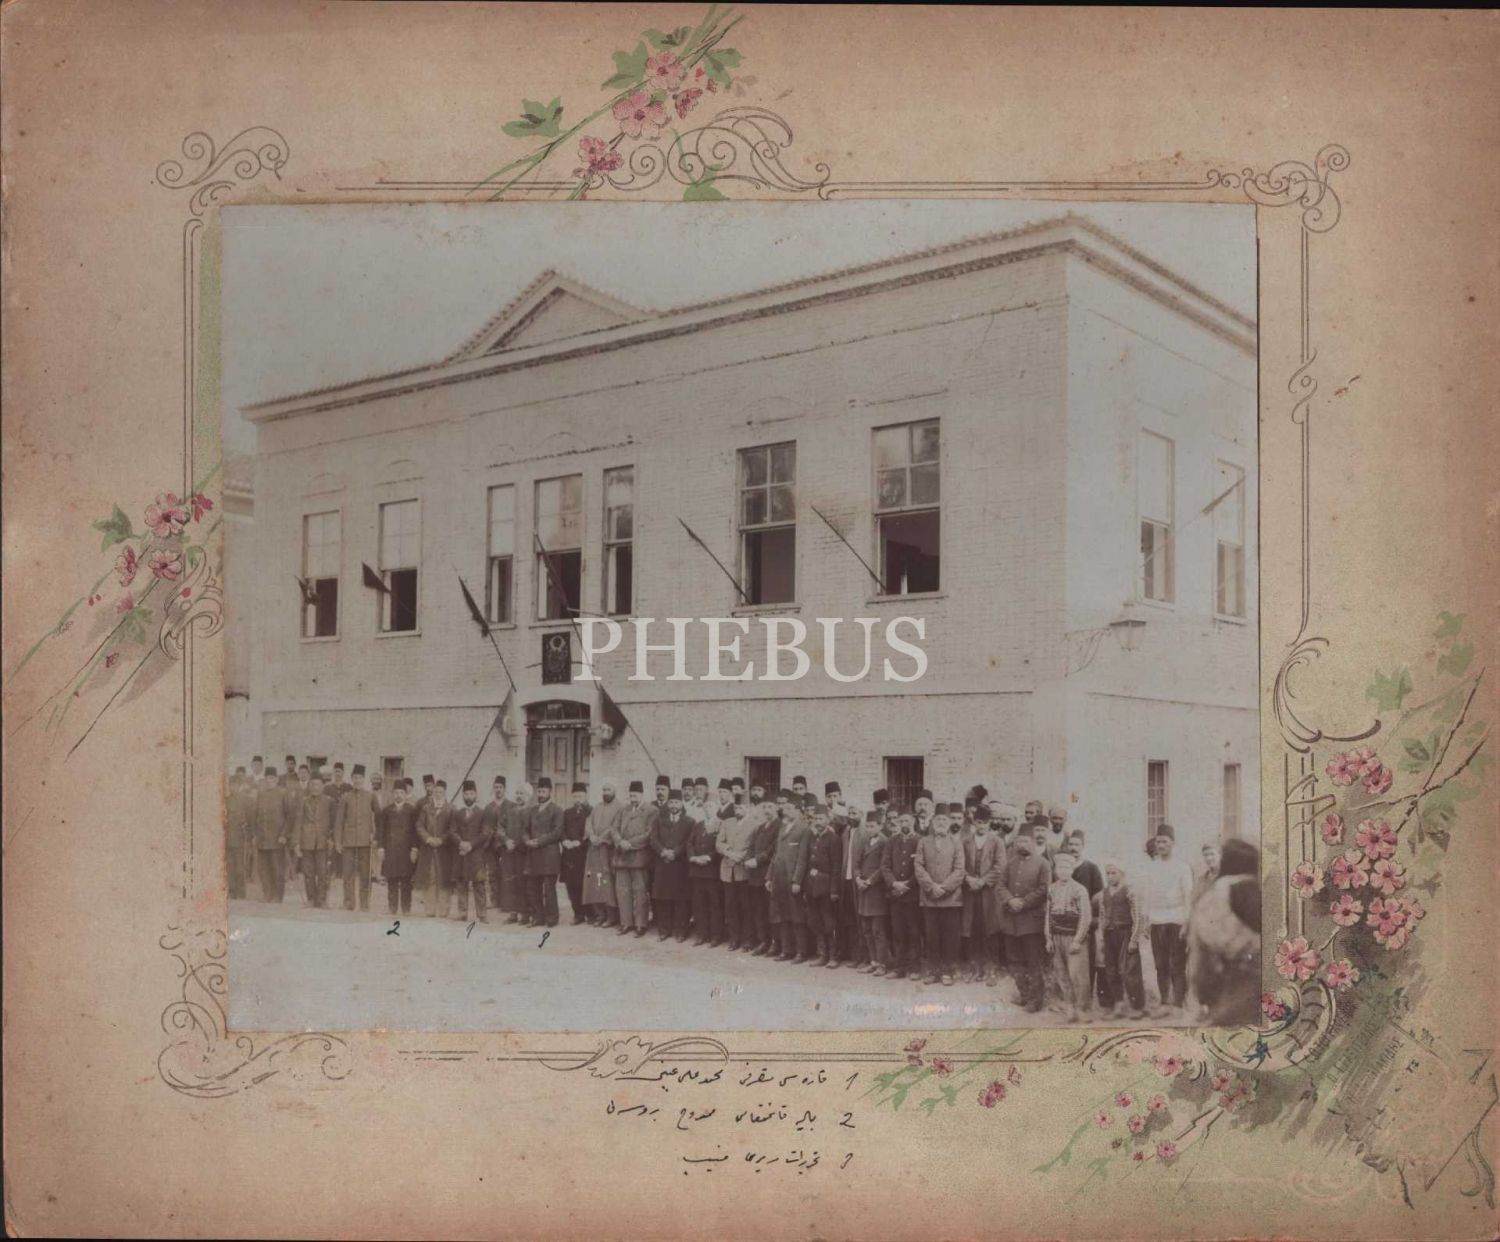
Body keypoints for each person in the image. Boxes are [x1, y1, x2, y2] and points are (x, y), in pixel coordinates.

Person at [1188, 837, 1260, 1025]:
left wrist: (1205, 997)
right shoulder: (1267, 886)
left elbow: (1202, 962)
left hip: (1235, 983)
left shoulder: (1216, 894)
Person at [997, 824, 1049, 1012]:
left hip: (1032, 921)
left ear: (1033, 842)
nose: (1022, 844)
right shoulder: (1010, 863)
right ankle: (1024, 994)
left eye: (1026, 841)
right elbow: (1001, 885)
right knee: (1014, 960)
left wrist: (1024, 902)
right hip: (1011, 921)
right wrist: (1010, 900)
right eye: (1019, 841)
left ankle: (1036, 1000)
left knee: (1033, 961)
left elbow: (1044, 889)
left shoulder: (1043, 864)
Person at [1142, 827, 1194, 1012]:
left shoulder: (1182, 867)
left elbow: (1188, 896)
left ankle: (1178, 1003)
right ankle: (1164, 1001)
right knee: (1160, 965)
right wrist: (1146, 920)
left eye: (1165, 841)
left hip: (1176, 920)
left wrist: (1186, 923)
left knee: (1176, 965)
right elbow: (1147, 895)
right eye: (1158, 842)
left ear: (1172, 843)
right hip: (1157, 921)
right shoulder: (1151, 867)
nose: (1161, 845)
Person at [915, 803, 965, 985]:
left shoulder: (956, 843)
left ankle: (947, 972)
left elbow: (959, 870)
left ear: (949, 822)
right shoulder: (923, 842)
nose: (941, 823)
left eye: (944, 819)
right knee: (931, 936)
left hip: (950, 899)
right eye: (938, 819)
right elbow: (918, 866)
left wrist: (944, 888)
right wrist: (931, 887)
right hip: (929, 899)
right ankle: (933, 971)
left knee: (950, 936)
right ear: (933, 821)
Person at [1045, 849, 1094, 1021]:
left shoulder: (1080, 890)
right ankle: (1070, 1008)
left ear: (1072, 870)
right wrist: (1048, 938)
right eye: (1060, 868)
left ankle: (1083, 1009)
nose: (1063, 871)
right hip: (1056, 937)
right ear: (1056, 870)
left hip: (1073, 938)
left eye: (1066, 868)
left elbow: (1086, 917)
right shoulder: (1052, 889)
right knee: (1062, 974)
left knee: (1078, 975)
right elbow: (1048, 915)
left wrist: (1078, 940)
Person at [1099, 859, 1149, 1019]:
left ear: (1122, 874)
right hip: (1109, 935)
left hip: (1125, 934)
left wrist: (1134, 939)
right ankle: (1119, 1005)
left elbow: (1138, 917)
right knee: (1111, 970)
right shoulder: (1104, 893)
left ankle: (1138, 1007)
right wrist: (1102, 937)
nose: (1110, 876)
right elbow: (1102, 915)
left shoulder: (1130, 891)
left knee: (1130, 971)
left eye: (1113, 873)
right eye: (1107, 873)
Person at [767, 792, 812, 962]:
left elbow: (802, 858)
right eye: (784, 808)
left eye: (789, 808)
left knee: (797, 916)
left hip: (792, 880)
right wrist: (769, 877)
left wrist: (797, 881)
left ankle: (801, 951)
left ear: (798, 810)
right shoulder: (782, 828)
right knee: (782, 916)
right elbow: (776, 855)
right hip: (779, 879)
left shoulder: (804, 829)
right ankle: (786, 950)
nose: (785, 811)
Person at [964, 804, 1004, 985]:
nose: (981, 826)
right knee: (973, 929)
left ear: (989, 823)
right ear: (974, 822)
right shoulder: (966, 841)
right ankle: (975, 968)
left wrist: (983, 881)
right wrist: (968, 879)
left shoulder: (997, 842)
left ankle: (991, 969)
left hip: (989, 893)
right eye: (979, 822)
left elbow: (1000, 866)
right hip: (970, 893)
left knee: (990, 930)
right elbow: (960, 865)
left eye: (985, 823)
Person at [715, 778, 756, 951]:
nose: (739, 810)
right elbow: (719, 843)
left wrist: (742, 856)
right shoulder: (727, 822)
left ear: (748, 808)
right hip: (727, 871)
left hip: (744, 871)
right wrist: (730, 853)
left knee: (745, 907)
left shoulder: (754, 824)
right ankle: (734, 938)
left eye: (742, 808)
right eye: (737, 807)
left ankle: (748, 940)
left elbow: (753, 846)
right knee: (730, 906)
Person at [333, 763, 379, 912]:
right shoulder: (345, 797)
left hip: (366, 841)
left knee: (365, 874)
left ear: (364, 779)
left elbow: (379, 818)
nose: (357, 780)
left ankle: (364, 904)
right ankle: (349, 903)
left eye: (360, 778)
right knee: (348, 874)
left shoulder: (371, 796)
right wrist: (338, 841)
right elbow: (339, 821)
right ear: (352, 779)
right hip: (348, 842)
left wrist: (375, 836)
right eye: (355, 777)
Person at [648, 787, 693, 941]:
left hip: (680, 865)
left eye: (676, 802)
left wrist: (675, 852)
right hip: (662, 864)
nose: (674, 805)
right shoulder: (659, 820)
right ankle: (664, 929)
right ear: (668, 804)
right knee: (663, 898)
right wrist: (662, 851)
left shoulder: (689, 822)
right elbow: (653, 839)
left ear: (681, 804)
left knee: (680, 899)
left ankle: (680, 930)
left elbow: (689, 842)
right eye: (671, 802)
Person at [881, 811, 922, 979]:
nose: (904, 823)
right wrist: (893, 883)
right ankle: (899, 968)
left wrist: (908, 885)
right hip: (895, 895)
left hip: (912, 895)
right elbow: (885, 865)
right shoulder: (892, 841)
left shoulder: (920, 840)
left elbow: (921, 867)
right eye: (902, 820)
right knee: (897, 931)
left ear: (913, 821)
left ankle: (914, 968)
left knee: (913, 932)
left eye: (907, 820)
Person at [611, 780, 655, 937]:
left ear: (642, 794)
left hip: (639, 857)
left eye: (635, 795)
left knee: (640, 892)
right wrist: (619, 842)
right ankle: (626, 922)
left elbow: (649, 833)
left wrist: (630, 844)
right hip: (622, 857)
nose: (632, 798)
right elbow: (614, 828)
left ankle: (641, 924)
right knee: (623, 891)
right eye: (630, 795)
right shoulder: (624, 810)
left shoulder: (651, 810)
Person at [742, 783, 780, 956]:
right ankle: (762, 940)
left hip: (768, 875)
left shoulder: (779, 826)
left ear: (777, 808)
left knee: (770, 910)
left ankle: (774, 942)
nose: (767, 810)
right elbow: (751, 845)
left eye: (770, 807)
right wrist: (749, 859)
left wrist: (757, 860)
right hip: (754, 875)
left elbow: (773, 849)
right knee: (757, 909)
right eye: (765, 807)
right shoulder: (759, 827)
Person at [803, 803, 843, 968]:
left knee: (829, 922)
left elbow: (836, 867)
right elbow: (807, 862)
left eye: (821, 818)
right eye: (815, 819)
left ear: (827, 820)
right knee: (815, 921)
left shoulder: (834, 839)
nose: (818, 822)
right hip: (812, 887)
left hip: (826, 888)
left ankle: (833, 956)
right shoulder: (812, 837)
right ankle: (822, 954)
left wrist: (834, 890)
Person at [852, 808, 891, 975]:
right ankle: (873, 961)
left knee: (878, 930)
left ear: (880, 826)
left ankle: (883, 963)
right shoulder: (865, 841)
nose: (869, 829)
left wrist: (869, 881)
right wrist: (858, 878)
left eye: (873, 826)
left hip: (876, 892)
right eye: (867, 826)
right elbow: (856, 863)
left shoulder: (885, 842)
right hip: (863, 891)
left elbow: (884, 867)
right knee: (866, 929)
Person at [448, 778, 491, 923]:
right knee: (461, 883)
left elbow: (485, 833)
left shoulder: (482, 813)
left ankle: (482, 914)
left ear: (476, 795)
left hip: (476, 855)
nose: (469, 797)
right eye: (466, 794)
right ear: (462, 795)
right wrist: (461, 843)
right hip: (461, 855)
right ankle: (462, 913)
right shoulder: (457, 813)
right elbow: (452, 831)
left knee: (479, 884)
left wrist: (471, 845)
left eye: (471, 794)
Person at [523, 776, 564, 928]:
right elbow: (525, 830)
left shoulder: (557, 810)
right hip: (533, 855)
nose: (540, 794)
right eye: (539, 791)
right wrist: (527, 840)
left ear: (550, 792)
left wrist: (538, 841)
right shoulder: (532, 810)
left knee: (549, 889)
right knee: (533, 888)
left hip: (549, 856)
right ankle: (538, 917)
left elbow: (557, 832)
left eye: (543, 791)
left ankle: (552, 918)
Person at [378, 778, 420, 916]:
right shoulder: (386, 811)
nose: (398, 795)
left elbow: (415, 832)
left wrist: (414, 848)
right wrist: (381, 848)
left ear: (405, 794)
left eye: (401, 792)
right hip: (390, 850)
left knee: (406, 880)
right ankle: (392, 908)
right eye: (396, 792)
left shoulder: (412, 810)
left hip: (406, 851)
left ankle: (406, 909)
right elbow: (381, 831)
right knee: (392, 879)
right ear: (392, 794)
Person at [583, 781, 622, 926]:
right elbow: (588, 822)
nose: (605, 792)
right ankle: (600, 915)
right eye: (604, 789)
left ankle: (612, 916)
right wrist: (591, 835)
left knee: (607, 883)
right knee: (594, 882)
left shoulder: (620, 807)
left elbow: (615, 826)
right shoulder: (597, 807)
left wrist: (602, 838)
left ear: (614, 791)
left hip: (607, 851)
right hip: (593, 851)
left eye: (608, 789)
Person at [294, 771, 335, 908]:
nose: (315, 787)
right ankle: (311, 899)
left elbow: (334, 823)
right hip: (307, 842)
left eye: (317, 785)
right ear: (309, 786)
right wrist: (296, 843)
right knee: (308, 872)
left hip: (323, 842)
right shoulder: (303, 801)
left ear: (322, 786)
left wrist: (332, 839)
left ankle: (322, 900)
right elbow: (298, 822)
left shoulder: (329, 801)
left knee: (323, 872)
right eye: (312, 784)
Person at [687, 793, 723, 946]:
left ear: (717, 808)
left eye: (711, 806)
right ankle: (702, 934)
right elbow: (689, 843)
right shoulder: (698, 825)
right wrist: (693, 857)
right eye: (706, 806)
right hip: (697, 870)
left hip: (712, 871)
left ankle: (716, 936)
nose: (708, 809)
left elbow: (722, 844)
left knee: (714, 904)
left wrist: (708, 857)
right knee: (699, 904)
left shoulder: (721, 825)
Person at [415, 779, 451, 918]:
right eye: (436, 791)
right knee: (429, 878)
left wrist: (442, 839)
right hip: (428, 849)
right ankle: (430, 909)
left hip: (444, 850)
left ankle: (443, 910)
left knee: (443, 878)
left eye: (441, 792)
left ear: (445, 793)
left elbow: (452, 829)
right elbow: (419, 825)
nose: (438, 794)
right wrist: (428, 839)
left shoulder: (451, 809)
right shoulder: (426, 808)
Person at [500, 782, 534, 923]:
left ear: (529, 796)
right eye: (517, 793)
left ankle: (525, 913)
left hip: (525, 853)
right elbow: (500, 827)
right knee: (511, 882)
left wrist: (522, 844)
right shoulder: (510, 811)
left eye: (522, 794)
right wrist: (506, 840)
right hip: (510, 852)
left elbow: (533, 831)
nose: (519, 796)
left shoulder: (533, 811)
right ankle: (513, 912)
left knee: (524, 882)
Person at [253, 766, 288, 902]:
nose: (270, 781)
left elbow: (289, 817)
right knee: (263, 869)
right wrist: (256, 835)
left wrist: (284, 834)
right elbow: (256, 816)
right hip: (263, 839)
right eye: (268, 778)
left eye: (272, 778)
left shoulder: (282, 794)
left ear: (277, 779)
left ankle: (278, 896)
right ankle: (267, 894)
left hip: (277, 839)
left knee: (277, 869)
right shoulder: (261, 794)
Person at [559, 782, 591, 925]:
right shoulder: (567, 813)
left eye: (580, 796)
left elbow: (591, 833)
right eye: (575, 796)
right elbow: (562, 830)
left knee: (585, 884)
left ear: (585, 796)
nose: (578, 799)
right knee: (571, 885)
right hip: (569, 855)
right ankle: (577, 914)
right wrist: (565, 840)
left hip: (584, 854)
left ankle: (590, 913)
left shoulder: (591, 812)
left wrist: (580, 843)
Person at [482, 776, 513, 916]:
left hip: (504, 844)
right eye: (496, 787)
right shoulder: (488, 807)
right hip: (490, 844)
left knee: (506, 871)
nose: (498, 790)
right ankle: (494, 899)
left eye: (500, 787)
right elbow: (485, 825)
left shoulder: (510, 805)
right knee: (492, 872)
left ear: (504, 789)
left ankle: (506, 901)